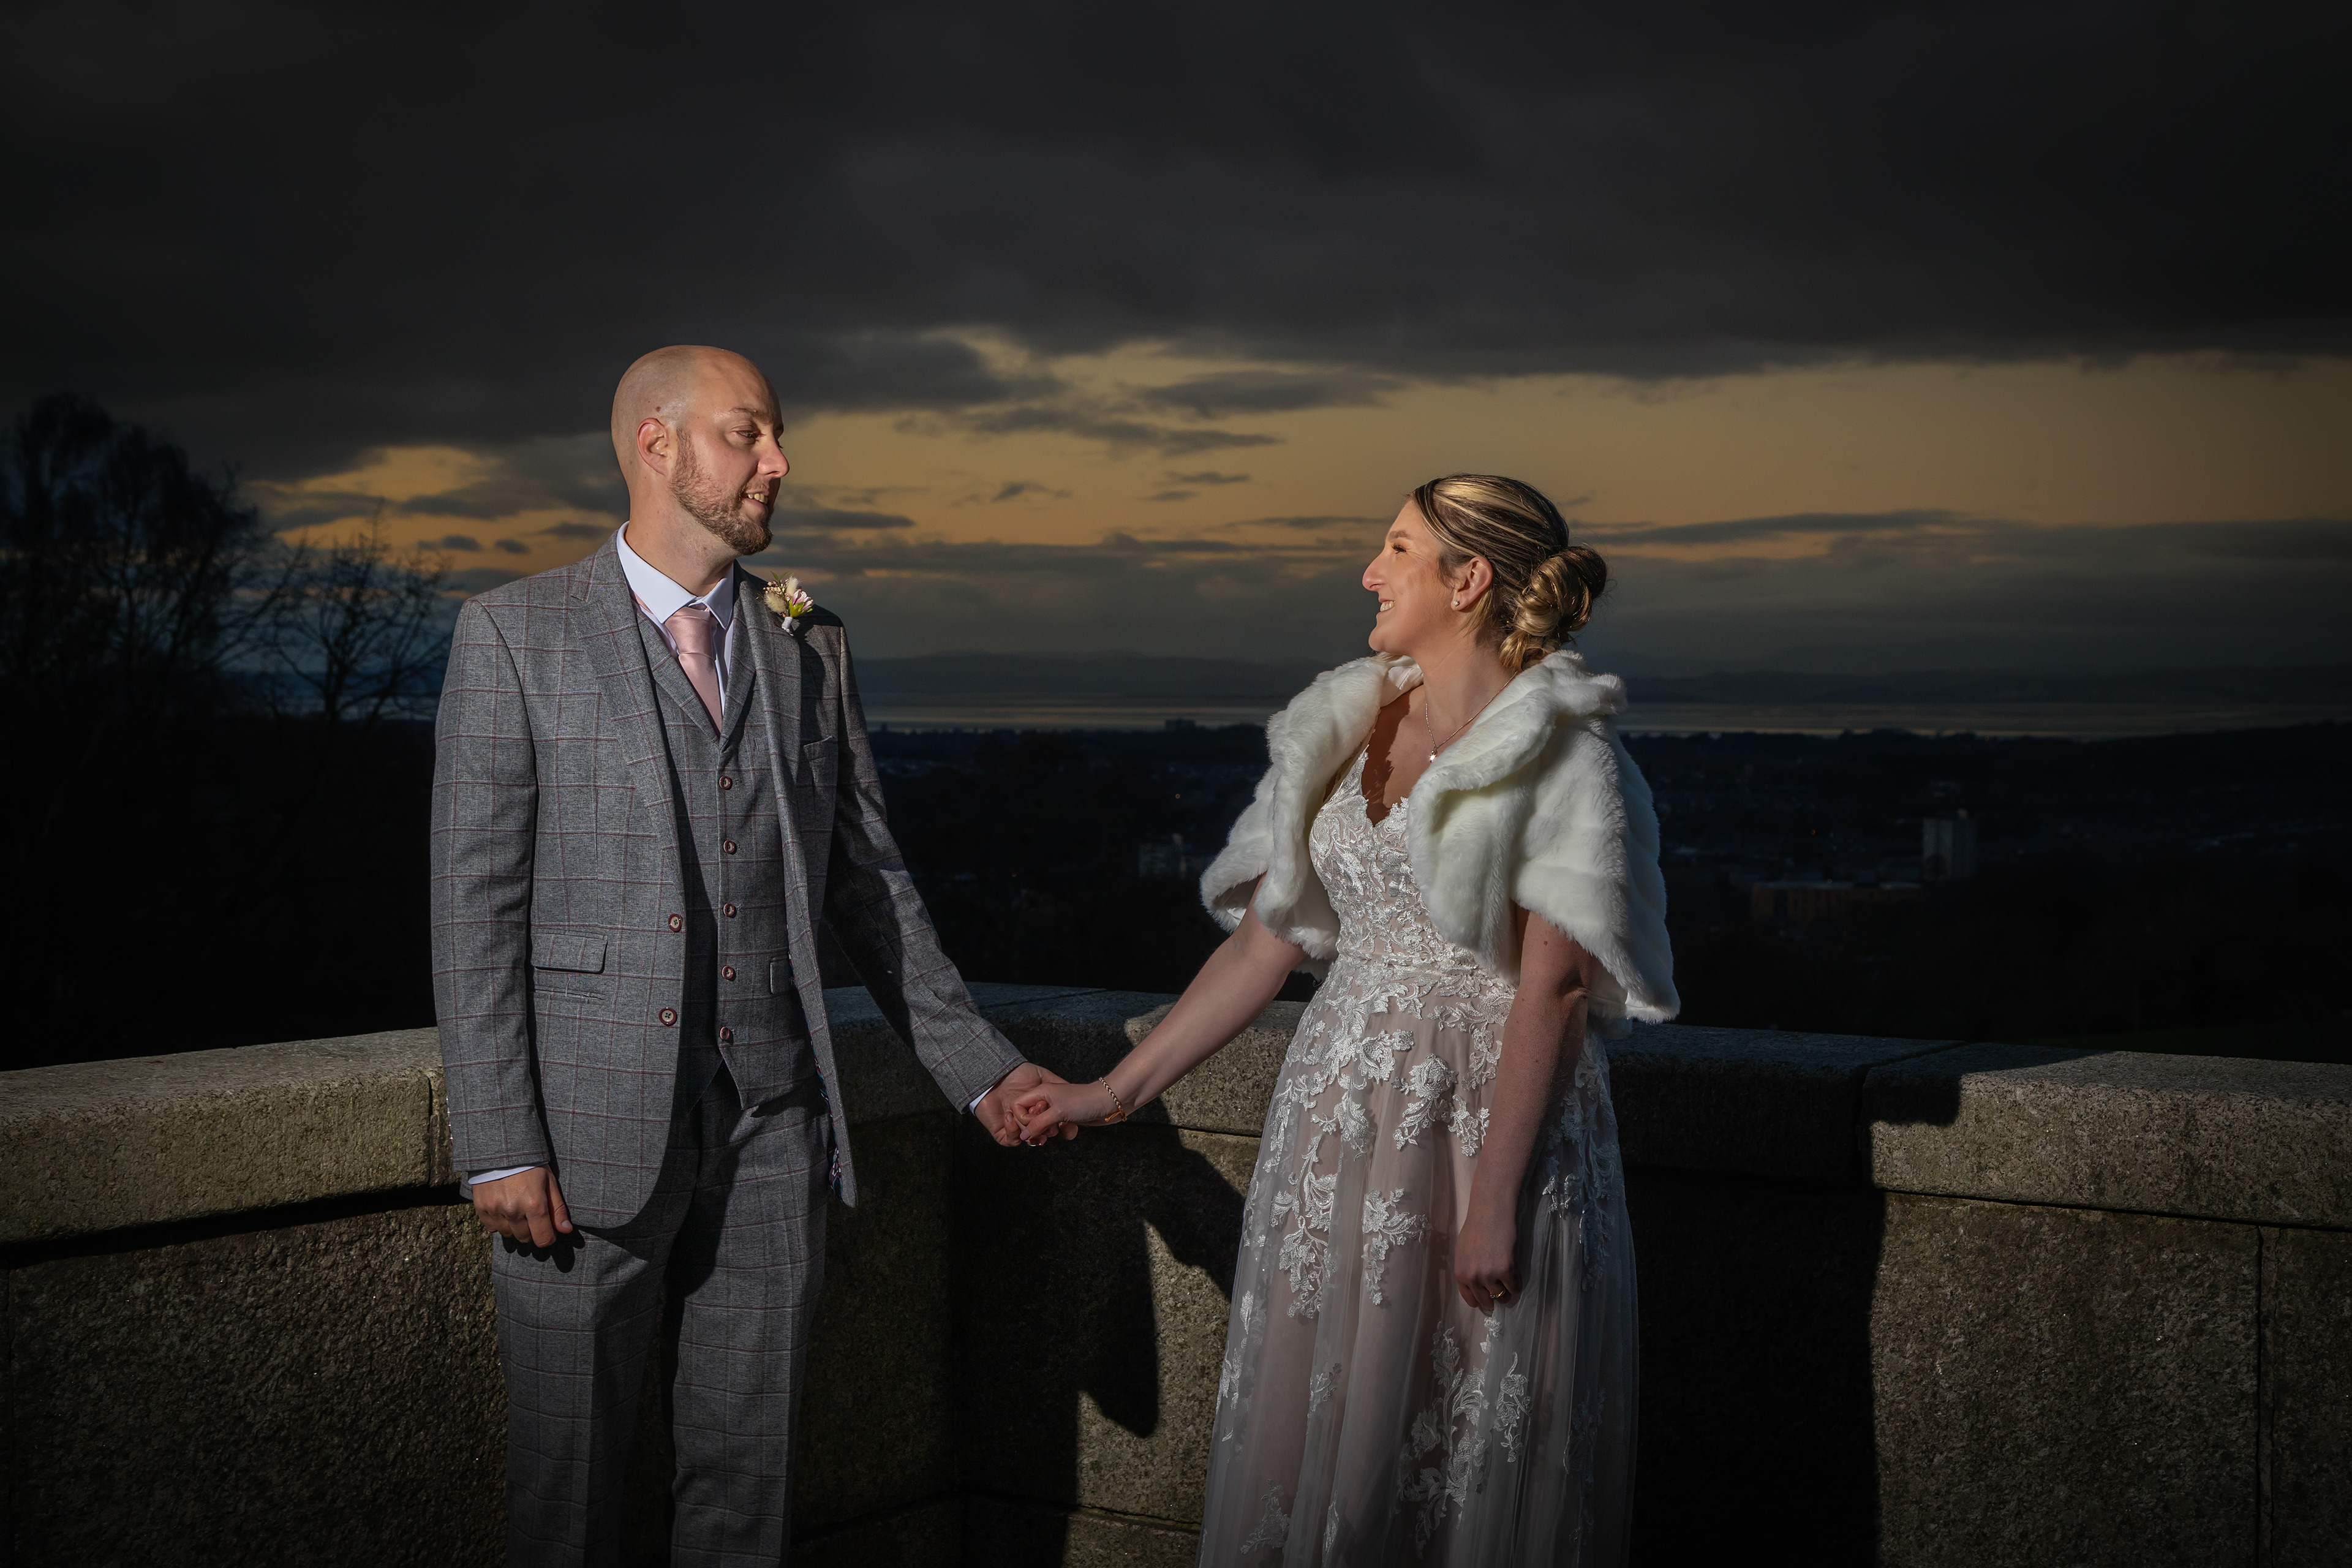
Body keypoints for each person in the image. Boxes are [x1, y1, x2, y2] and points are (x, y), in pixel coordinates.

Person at [431, 345, 1069, 1566]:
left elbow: (868, 880)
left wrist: (981, 1070)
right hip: (578, 1141)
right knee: (565, 1497)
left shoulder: (806, 643)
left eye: (776, 439)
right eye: (749, 435)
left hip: (776, 1128)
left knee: (749, 1489)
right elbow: (477, 904)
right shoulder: (513, 634)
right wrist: (498, 1135)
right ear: (655, 445)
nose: (779, 462)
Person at [1014, 475, 1677, 1565]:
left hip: (1483, 1133)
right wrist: (1113, 1092)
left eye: (1397, 549)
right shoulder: (1347, 718)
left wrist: (1497, 1201)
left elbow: (1552, 991)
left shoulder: (1566, 752)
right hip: (1337, 1127)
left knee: (1463, 1431)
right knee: (1328, 1422)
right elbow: (1265, 941)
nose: (1369, 573)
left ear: (1468, 581)